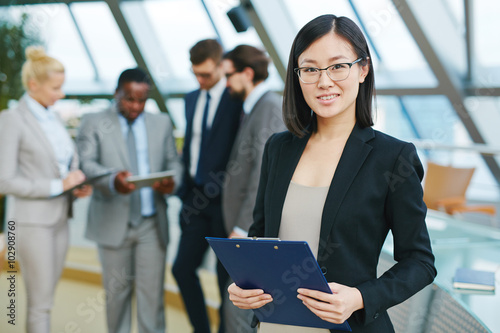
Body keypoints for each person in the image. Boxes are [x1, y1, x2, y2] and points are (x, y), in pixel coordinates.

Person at [227, 14, 437, 333]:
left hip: (346, 326)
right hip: (275, 326)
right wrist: (243, 284)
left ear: (363, 69)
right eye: (310, 69)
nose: (324, 82)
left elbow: (420, 262)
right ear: (297, 76)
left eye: (338, 66)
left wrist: (360, 297)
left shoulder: (393, 157)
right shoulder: (279, 148)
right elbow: (262, 236)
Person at [76, 67, 182, 333]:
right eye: (129, 99)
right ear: (116, 93)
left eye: (142, 100)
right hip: (113, 222)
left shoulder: (162, 123)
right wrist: (112, 180)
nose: (136, 106)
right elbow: (86, 164)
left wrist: (172, 182)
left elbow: (174, 163)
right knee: (116, 298)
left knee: (152, 298)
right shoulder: (93, 121)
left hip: (151, 224)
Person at [0, 46, 92, 333]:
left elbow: (61, 167)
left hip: (60, 219)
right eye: (56, 88)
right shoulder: (11, 120)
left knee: (47, 300)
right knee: (40, 304)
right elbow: (4, 181)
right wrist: (57, 185)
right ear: (33, 85)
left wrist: (74, 185)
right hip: (29, 223)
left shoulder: (53, 119)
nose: (61, 94)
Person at [172, 38, 242, 333]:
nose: (201, 80)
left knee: (225, 278)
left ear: (221, 66)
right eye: (196, 74)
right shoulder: (190, 99)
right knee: (181, 269)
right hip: (195, 199)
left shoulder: (235, 99)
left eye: (207, 75)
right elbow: (191, 146)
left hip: (225, 203)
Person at [221, 45, 286, 332]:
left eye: (228, 75)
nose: (226, 84)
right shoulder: (254, 108)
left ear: (247, 73)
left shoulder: (268, 108)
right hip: (246, 228)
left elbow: (263, 174)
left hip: (250, 231)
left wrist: (243, 226)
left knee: (240, 311)